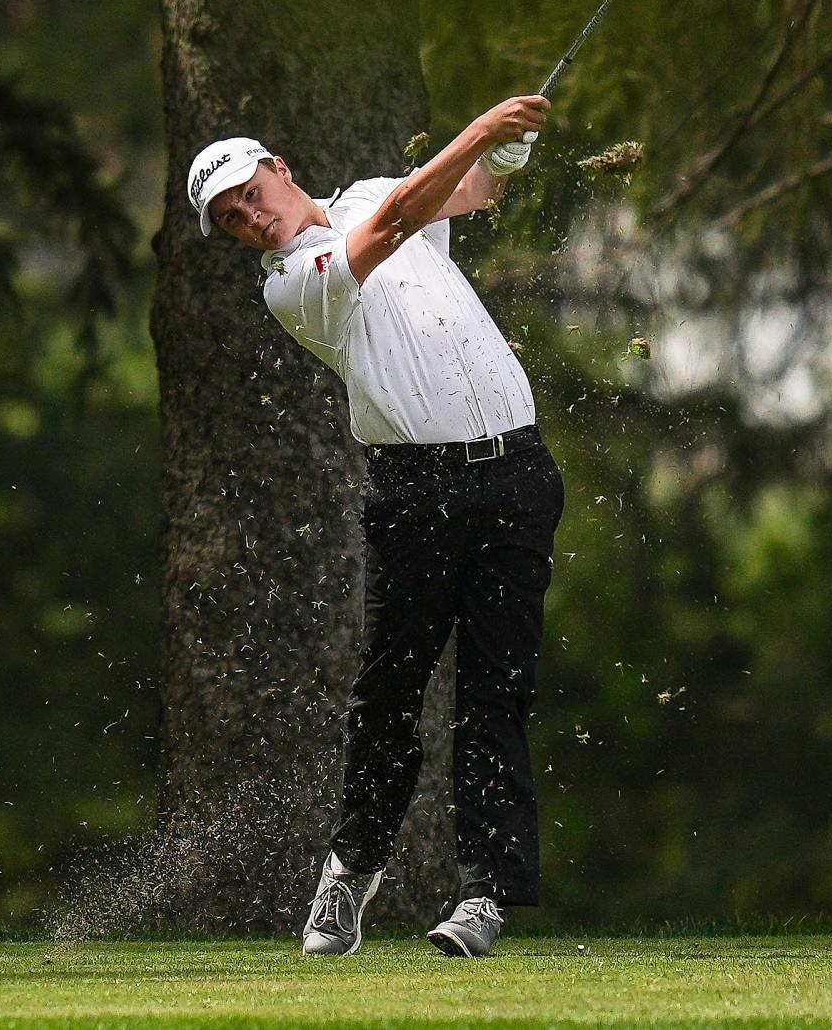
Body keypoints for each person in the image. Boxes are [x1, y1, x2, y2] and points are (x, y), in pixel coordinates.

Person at [186, 95, 566, 958]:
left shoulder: (365, 194)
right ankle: (351, 869)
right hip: (415, 493)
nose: (248, 215)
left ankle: (484, 897)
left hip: (518, 473)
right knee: (390, 693)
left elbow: (464, 193)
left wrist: (505, 153)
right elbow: (401, 219)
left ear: (277, 166)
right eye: (229, 216)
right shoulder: (293, 284)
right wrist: (481, 128)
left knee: (494, 693)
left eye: (248, 190)